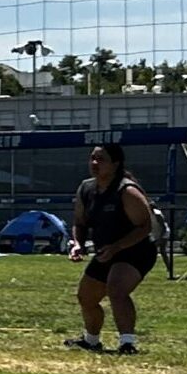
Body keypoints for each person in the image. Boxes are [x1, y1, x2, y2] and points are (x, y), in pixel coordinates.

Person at [64, 143, 157, 355]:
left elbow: (145, 227)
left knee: (116, 289)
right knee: (85, 297)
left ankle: (127, 343)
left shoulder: (127, 190)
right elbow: (80, 222)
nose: (95, 163)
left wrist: (117, 247)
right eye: (92, 158)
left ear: (116, 164)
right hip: (106, 251)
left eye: (101, 159)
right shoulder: (86, 189)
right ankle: (91, 341)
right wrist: (77, 243)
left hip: (136, 250)